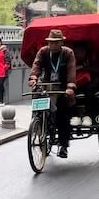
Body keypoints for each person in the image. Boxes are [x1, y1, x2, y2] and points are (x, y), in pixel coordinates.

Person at [28, 28, 76, 157]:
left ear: (61, 42)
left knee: (63, 113)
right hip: (47, 85)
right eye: (50, 42)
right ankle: (39, 124)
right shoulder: (43, 52)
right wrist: (33, 78)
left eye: (55, 42)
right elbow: (36, 65)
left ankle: (63, 145)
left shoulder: (68, 53)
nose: (52, 45)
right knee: (37, 98)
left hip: (62, 87)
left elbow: (71, 70)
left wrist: (70, 87)